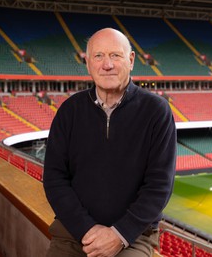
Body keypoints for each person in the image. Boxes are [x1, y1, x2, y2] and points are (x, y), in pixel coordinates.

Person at [43, 27, 176, 257]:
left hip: (132, 237)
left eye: (115, 55)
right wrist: (87, 228)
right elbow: (54, 178)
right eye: (99, 56)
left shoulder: (156, 111)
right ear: (87, 63)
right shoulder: (69, 111)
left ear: (131, 60)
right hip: (73, 233)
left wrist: (120, 234)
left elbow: (159, 186)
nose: (107, 64)